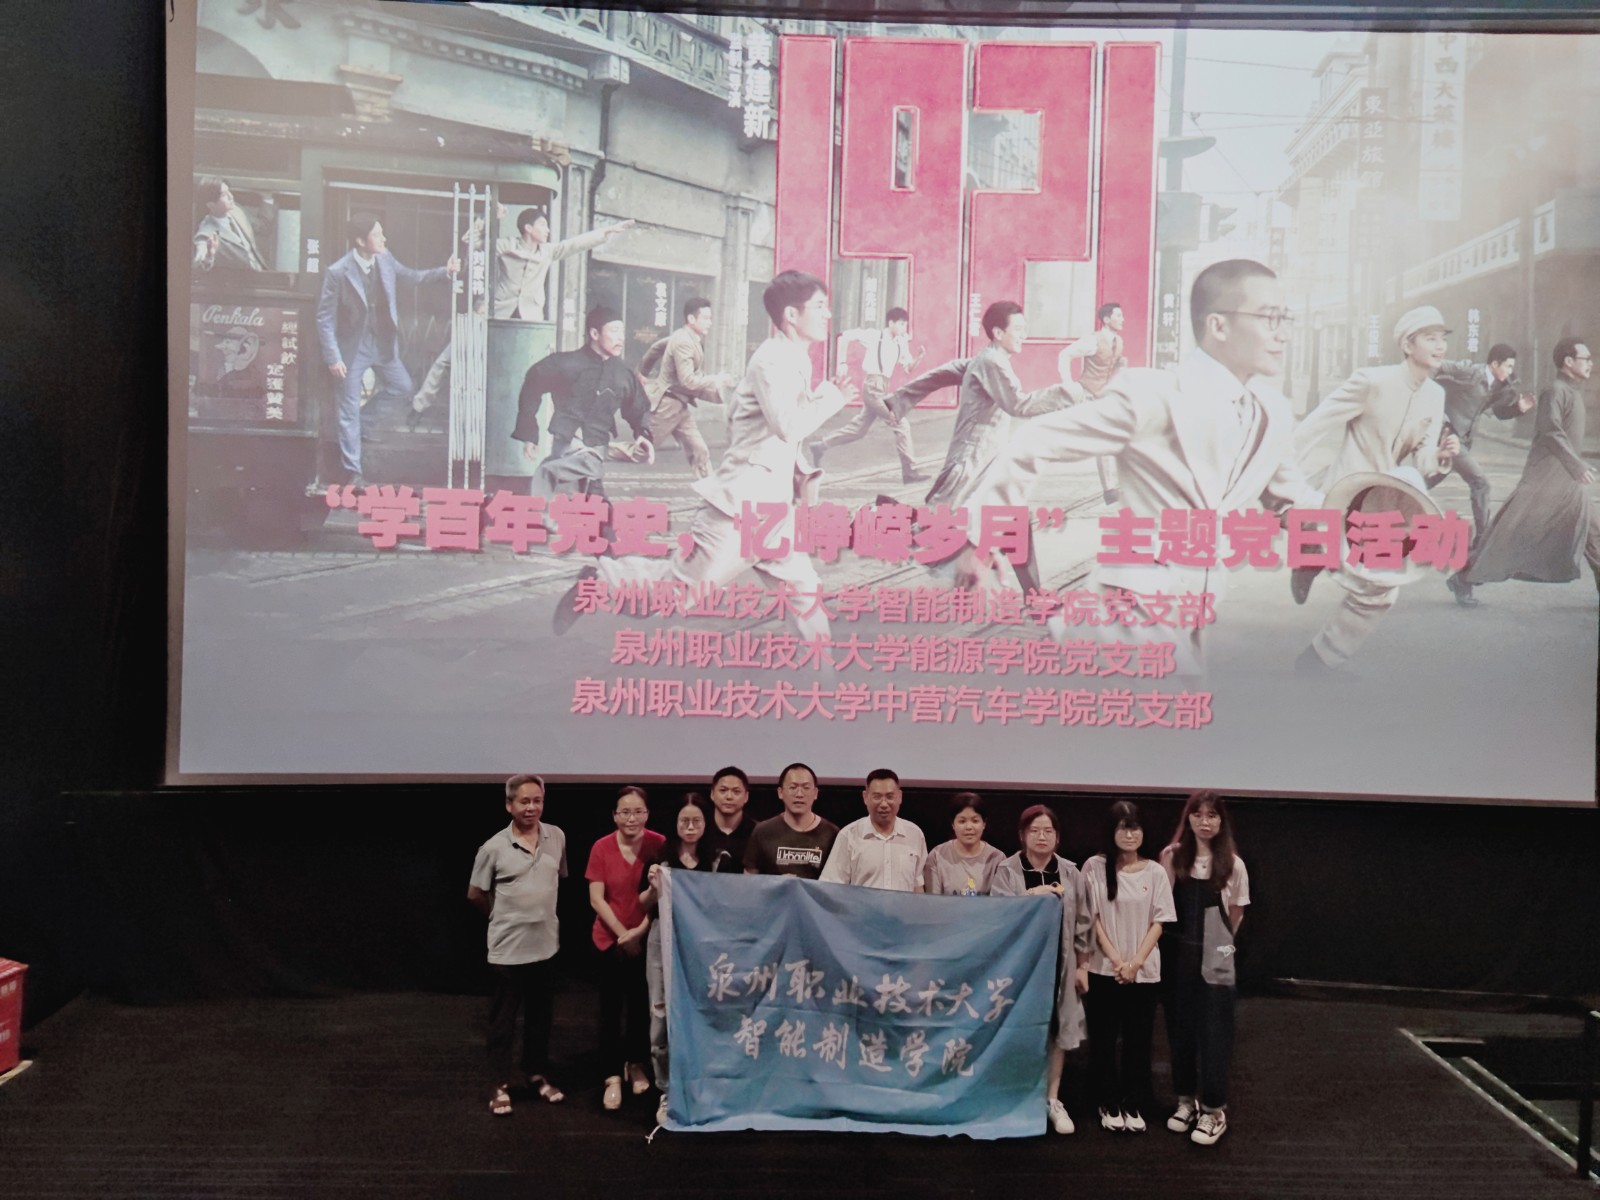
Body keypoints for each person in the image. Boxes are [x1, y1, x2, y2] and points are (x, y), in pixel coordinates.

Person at [955, 260, 1323, 672]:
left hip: (1193, 612)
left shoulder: (1272, 412)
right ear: (1218, 326)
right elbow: (1035, 441)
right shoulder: (1153, 394)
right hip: (1129, 609)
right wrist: (978, 540)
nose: (1283, 333)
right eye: (1270, 318)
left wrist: (1361, 517)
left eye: (1285, 318)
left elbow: (1292, 501)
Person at [554, 271, 856, 640]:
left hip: (772, 511)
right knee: (677, 593)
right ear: (791, 315)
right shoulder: (771, 360)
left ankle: (820, 674)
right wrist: (833, 397)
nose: (828, 314)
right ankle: (602, 580)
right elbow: (788, 427)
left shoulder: (794, 358)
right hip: (740, 511)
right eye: (820, 306)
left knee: (804, 594)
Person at [1290, 305, 1461, 671]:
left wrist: (1441, 455)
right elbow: (1315, 425)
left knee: (1383, 587)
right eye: (1430, 338)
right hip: (1343, 496)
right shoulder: (1371, 382)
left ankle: (1319, 657)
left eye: (1442, 339)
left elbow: (1422, 461)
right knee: (1377, 585)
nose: (1440, 346)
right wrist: (1283, 477)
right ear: (1408, 345)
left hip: (1383, 504)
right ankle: (1311, 553)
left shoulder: (1435, 395)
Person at [1449, 337, 1600, 604]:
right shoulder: (1555, 391)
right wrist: (1575, 464)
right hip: (1543, 481)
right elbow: (1551, 431)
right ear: (1568, 362)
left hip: (1566, 481)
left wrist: (1574, 467)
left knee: (1593, 533)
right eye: (1585, 359)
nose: (1590, 363)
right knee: (1508, 536)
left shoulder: (1571, 391)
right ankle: (1464, 578)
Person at [885, 301, 1076, 510]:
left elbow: (943, 373)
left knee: (975, 519)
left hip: (986, 458)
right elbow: (1018, 404)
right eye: (1018, 329)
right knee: (938, 521)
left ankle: (889, 515)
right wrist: (1069, 394)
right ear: (998, 333)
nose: (1024, 335)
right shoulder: (991, 362)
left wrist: (899, 400)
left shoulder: (986, 359)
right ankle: (882, 515)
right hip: (971, 459)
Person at [314, 211, 460, 485]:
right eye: (377, 234)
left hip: (382, 344)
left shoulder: (385, 258)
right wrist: (333, 357)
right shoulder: (338, 272)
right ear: (360, 241)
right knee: (348, 407)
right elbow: (324, 318)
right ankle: (353, 471)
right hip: (352, 349)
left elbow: (412, 277)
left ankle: (359, 425)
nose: (384, 238)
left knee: (403, 388)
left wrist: (445, 272)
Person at [467, 774, 567, 1116]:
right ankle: (498, 1084)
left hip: (546, 947)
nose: (531, 807)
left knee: (540, 1019)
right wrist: (501, 917)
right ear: (509, 805)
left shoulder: (557, 837)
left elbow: (557, 878)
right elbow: (475, 893)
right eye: (524, 801)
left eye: (537, 800)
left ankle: (536, 1073)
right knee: (503, 1022)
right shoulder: (493, 847)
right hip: (508, 951)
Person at [992, 804, 1091, 1136]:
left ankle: (1052, 1099)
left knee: (1056, 1029)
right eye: (1034, 831)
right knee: (1017, 1029)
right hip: (1020, 967)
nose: (1042, 837)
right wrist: (1033, 894)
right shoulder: (1007, 870)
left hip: (1061, 965)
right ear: (1022, 835)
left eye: (1048, 831)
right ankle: (1017, 1098)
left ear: (1057, 837)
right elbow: (998, 915)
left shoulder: (1071, 872)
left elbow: (1084, 922)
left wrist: (1083, 965)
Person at [1159, 791, 1250, 1147]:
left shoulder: (1233, 865)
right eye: (1198, 814)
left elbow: (1236, 913)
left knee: (1215, 1034)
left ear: (1221, 821)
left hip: (1216, 954)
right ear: (1189, 819)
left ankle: (1214, 1110)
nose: (1205, 822)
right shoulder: (1171, 857)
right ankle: (1186, 1101)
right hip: (1178, 953)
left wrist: (1221, 950)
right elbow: (1162, 905)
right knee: (1180, 1030)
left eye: (1212, 815)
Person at [1080, 800, 1175, 1134]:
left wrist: (1135, 963)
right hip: (1104, 969)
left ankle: (1134, 1101)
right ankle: (1108, 1101)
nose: (1130, 835)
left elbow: (1160, 921)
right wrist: (1117, 961)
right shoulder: (1094, 867)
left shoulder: (1155, 871)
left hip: (1143, 972)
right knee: (1104, 1040)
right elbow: (1091, 919)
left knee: (1139, 1041)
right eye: (1123, 828)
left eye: (1135, 828)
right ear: (1111, 831)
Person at [512, 305, 653, 498]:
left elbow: (639, 407)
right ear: (594, 334)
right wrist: (529, 430)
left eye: (622, 332)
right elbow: (533, 383)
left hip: (596, 450)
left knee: (592, 504)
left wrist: (642, 433)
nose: (621, 337)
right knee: (561, 492)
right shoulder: (565, 363)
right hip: (568, 448)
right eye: (614, 331)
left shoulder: (623, 373)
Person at [585, 785, 665, 1111]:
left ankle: (635, 1064)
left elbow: (661, 896)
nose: (632, 818)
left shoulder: (659, 844)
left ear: (647, 814)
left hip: (647, 937)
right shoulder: (601, 847)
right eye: (625, 812)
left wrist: (639, 933)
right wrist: (623, 935)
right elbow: (596, 898)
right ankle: (611, 1075)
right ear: (615, 816)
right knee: (610, 1009)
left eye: (638, 812)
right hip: (609, 939)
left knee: (641, 1007)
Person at [640, 794, 714, 1125]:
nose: (690, 826)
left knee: (701, 1015)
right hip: (663, 941)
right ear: (675, 823)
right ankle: (666, 1088)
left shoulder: (716, 861)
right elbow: (643, 903)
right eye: (685, 820)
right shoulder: (661, 859)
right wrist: (654, 887)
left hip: (702, 944)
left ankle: (698, 1087)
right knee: (660, 1016)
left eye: (697, 820)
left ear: (706, 824)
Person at [1432, 343, 1533, 554]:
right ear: (1494, 364)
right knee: (1481, 483)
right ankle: (1483, 540)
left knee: (1428, 479)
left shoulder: (1498, 386)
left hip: (1463, 442)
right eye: (1508, 366)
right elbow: (1435, 366)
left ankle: (1390, 500)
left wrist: (1519, 408)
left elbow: (1500, 413)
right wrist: (1439, 415)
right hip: (1448, 438)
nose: (1510, 371)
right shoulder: (1470, 371)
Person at [809, 307, 927, 483]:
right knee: (901, 423)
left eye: (905, 324)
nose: (904, 328)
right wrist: (842, 362)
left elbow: (908, 368)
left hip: (882, 388)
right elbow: (844, 337)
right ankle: (910, 471)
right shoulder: (874, 336)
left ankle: (820, 446)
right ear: (891, 323)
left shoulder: (901, 343)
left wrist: (919, 358)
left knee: (858, 430)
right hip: (872, 387)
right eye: (901, 324)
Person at [485, 202, 634, 322]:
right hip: (501, 311)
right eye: (542, 225)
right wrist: (491, 216)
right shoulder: (506, 245)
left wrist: (605, 232)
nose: (547, 230)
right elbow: (476, 242)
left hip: (531, 315)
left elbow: (573, 245)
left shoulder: (548, 251)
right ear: (528, 228)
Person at [640, 298, 735, 478]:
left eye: (710, 318)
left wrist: (643, 371)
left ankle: (709, 489)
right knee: (641, 452)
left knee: (700, 450)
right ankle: (598, 451)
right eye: (705, 318)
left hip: (680, 406)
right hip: (668, 406)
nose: (710, 323)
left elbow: (655, 348)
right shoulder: (683, 341)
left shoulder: (685, 337)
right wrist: (716, 380)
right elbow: (688, 381)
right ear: (691, 319)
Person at [1057, 300, 1128, 504]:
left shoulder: (1118, 342)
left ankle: (1110, 490)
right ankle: (1110, 490)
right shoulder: (1092, 341)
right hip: (1087, 396)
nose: (1123, 319)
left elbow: (1112, 363)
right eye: (1118, 316)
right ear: (1106, 319)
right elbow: (1065, 355)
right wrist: (1068, 384)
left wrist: (1121, 366)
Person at [818, 768, 927, 891]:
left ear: (900, 797)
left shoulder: (915, 834)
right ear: (865, 797)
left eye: (890, 797)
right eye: (877, 797)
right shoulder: (848, 835)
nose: (884, 804)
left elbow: (917, 886)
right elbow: (830, 886)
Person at [743, 762, 839, 880]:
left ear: (815, 793)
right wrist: (776, 884)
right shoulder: (762, 831)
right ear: (780, 792)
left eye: (806, 788)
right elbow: (749, 882)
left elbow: (837, 883)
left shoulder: (832, 833)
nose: (799, 794)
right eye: (793, 787)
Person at [922, 792, 1006, 896]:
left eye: (975, 821)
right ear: (953, 824)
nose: (969, 827)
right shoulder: (937, 856)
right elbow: (933, 901)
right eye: (962, 821)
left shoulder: (997, 858)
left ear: (984, 824)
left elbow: (1000, 902)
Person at [192, 177, 267, 273]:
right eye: (224, 195)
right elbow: (199, 261)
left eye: (229, 191)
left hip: (262, 271)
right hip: (241, 280)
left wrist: (267, 198)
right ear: (211, 205)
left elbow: (262, 227)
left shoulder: (236, 210)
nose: (231, 197)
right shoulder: (207, 231)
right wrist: (209, 256)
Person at [698, 766, 754, 870]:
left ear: (746, 797)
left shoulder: (757, 833)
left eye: (736, 791)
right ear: (712, 794)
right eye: (723, 790)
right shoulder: (699, 830)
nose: (729, 797)